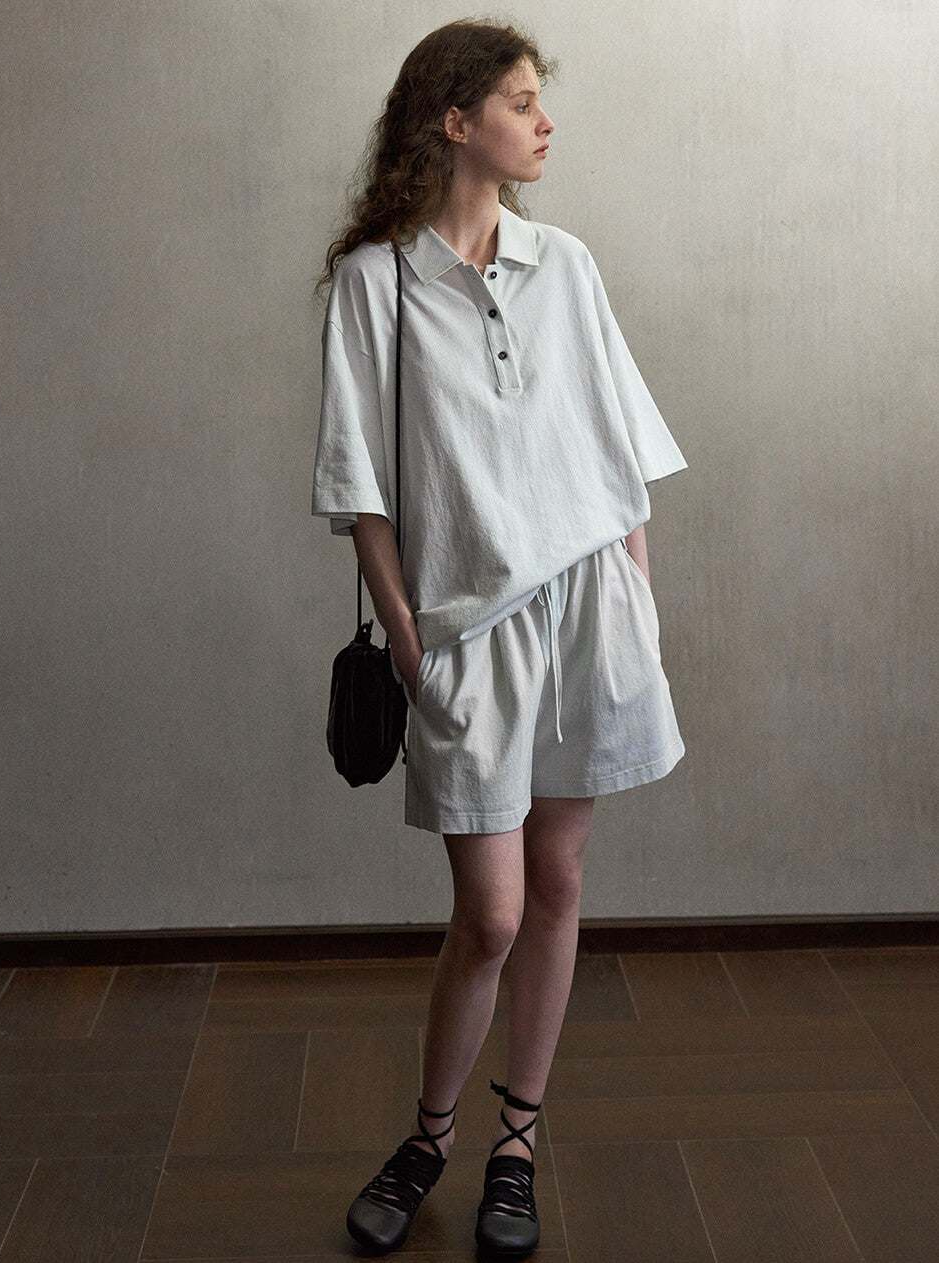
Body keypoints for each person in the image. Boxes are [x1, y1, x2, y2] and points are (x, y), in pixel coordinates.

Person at [311, 17, 687, 1258]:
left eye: (539, 99)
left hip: (590, 609)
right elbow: (362, 486)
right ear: (453, 118)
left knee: (560, 884)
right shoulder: (376, 283)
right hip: (466, 630)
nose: (544, 120)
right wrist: (410, 643)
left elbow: (619, 449)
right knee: (490, 915)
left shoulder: (563, 264)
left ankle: (514, 1143)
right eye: (521, 101)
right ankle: (431, 1136)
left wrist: (636, 609)